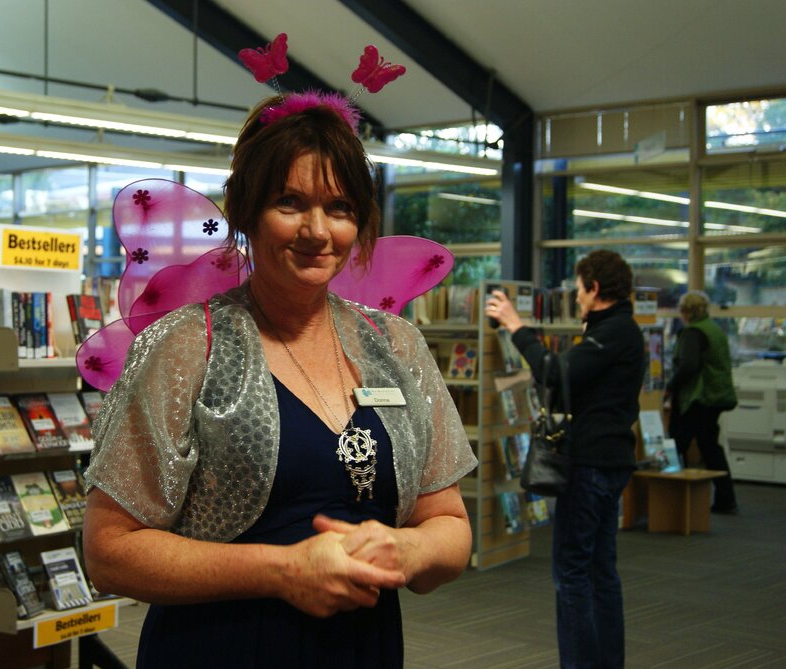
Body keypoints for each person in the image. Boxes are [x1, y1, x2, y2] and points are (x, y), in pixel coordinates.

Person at [82, 92, 477, 668]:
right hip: (220, 649)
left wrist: (406, 548)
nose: (317, 231)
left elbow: (450, 528)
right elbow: (109, 551)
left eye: (339, 207)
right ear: (245, 210)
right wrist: (285, 570)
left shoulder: (396, 345)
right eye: (289, 202)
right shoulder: (188, 346)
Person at [485, 250, 645, 669]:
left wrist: (517, 327)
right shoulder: (615, 330)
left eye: (578, 289)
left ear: (594, 289)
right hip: (608, 464)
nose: (575, 297)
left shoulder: (614, 333)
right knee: (599, 571)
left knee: (572, 573)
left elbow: (555, 371)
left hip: (590, 465)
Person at [666, 290, 738, 513]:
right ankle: (726, 498)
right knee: (710, 447)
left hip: (697, 397)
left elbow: (688, 366)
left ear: (686, 312)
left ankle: (674, 498)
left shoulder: (693, 333)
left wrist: (670, 387)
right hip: (716, 396)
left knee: (677, 444)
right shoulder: (715, 329)